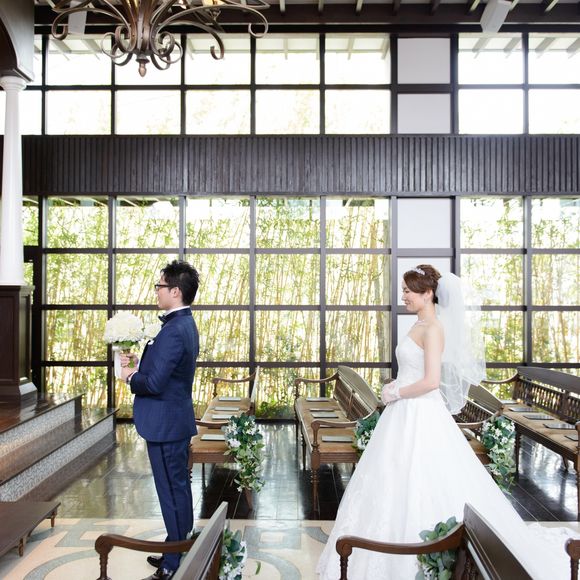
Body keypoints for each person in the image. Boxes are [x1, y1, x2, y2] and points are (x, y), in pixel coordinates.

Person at [317, 264, 574, 579]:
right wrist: (397, 388)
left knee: (420, 478)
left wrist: (396, 391)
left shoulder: (434, 329)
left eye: (408, 291)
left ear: (428, 293)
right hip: (402, 414)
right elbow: (414, 372)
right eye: (404, 290)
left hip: (419, 412)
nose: (404, 296)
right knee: (391, 477)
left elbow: (431, 381)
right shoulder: (419, 323)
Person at [120, 260, 200, 580]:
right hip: (173, 420)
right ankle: (176, 547)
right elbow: (164, 371)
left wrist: (130, 376)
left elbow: (154, 384)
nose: (157, 291)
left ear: (175, 291)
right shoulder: (183, 324)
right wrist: (140, 364)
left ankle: (172, 563)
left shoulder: (174, 330)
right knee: (177, 488)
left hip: (166, 424)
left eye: (160, 286)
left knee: (171, 492)